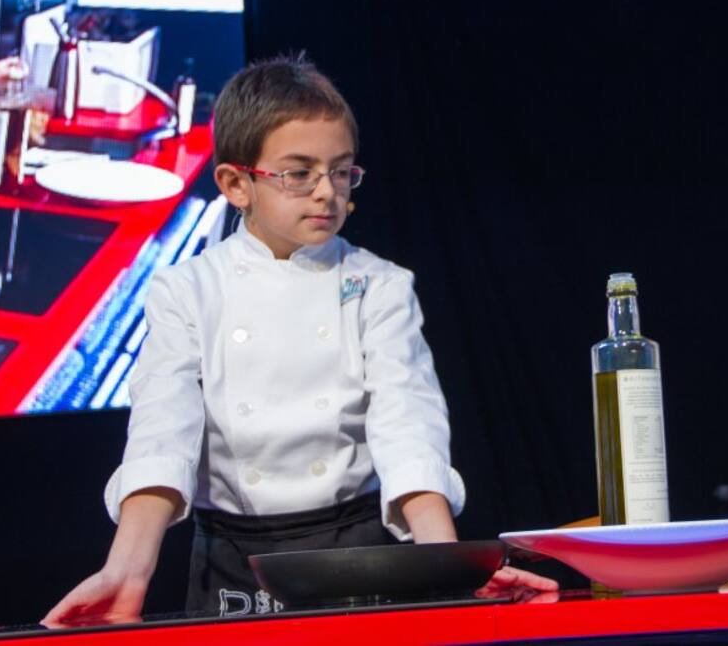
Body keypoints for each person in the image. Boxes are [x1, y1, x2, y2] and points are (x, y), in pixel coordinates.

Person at [44, 56, 554, 625]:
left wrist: (447, 565)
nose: (326, 193)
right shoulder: (186, 290)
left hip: (356, 550)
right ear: (236, 184)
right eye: (299, 173)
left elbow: (408, 425)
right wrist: (127, 570)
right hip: (233, 557)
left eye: (341, 171)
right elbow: (163, 431)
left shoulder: (379, 284)